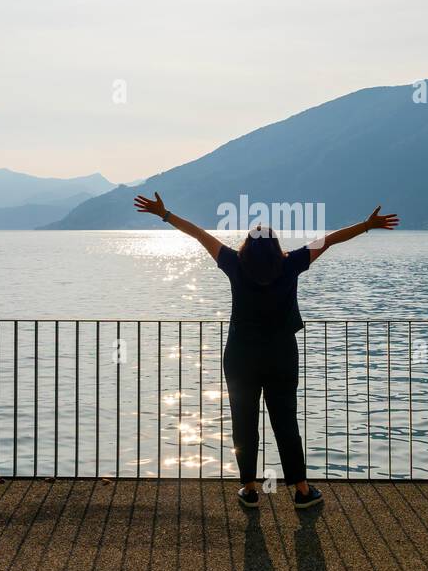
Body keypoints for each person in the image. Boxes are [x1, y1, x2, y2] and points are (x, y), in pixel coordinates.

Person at [133, 192, 399, 509]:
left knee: (243, 423)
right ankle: (301, 491)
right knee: (285, 422)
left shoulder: (233, 263)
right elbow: (329, 239)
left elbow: (199, 234)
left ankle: (249, 489)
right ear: (275, 245)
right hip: (281, 354)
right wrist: (367, 225)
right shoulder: (291, 264)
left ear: (247, 244)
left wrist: (165, 215)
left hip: (241, 356)